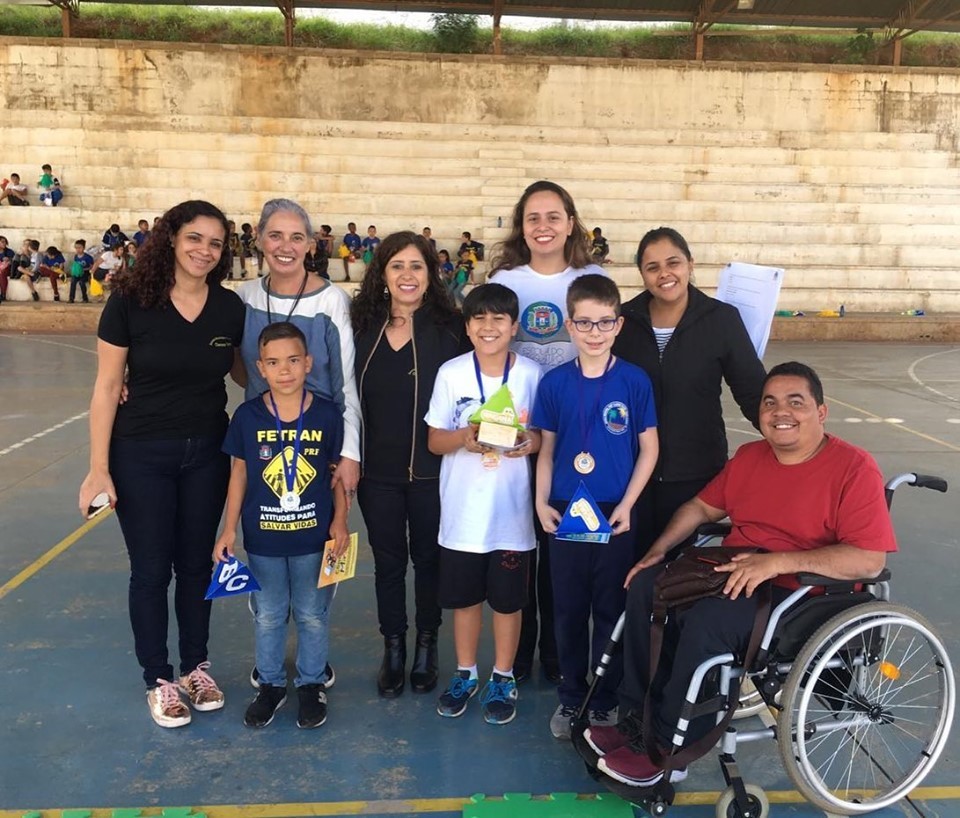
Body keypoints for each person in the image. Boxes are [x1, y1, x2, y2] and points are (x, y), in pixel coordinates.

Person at [585, 362, 898, 788]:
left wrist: (777, 562)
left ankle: (667, 749)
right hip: (736, 571)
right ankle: (635, 722)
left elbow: (868, 560)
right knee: (646, 586)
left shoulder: (853, 468)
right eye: (770, 402)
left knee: (707, 620)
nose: (780, 411)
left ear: (820, 412)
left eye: (795, 402)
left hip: (802, 594)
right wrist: (657, 552)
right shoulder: (751, 456)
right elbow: (700, 508)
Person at [78, 200, 245, 729]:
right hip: (141, 454)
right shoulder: (130, 301)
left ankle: (196, 667)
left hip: (207, 455)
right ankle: (159, 677)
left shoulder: (228, 307)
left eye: (215, 243)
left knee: (197, 567)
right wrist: (97, 468)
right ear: (171, 239)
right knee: (151, 571)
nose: (204, 250)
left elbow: (246, 375)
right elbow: (107, 387)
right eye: (195, 238)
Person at [490, 179, 605, 685]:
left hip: (575, 431)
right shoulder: (505, 279)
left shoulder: (592, 277)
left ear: (570, 223)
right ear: (522, 225)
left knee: (565, 542)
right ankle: (517, 652)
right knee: (518, 545)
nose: (543, 226)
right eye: (533, 218)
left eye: (553, 216)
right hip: (513, 430)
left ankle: (561, 654)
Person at [533, 275, 658, 739]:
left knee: (611, 608)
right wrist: (542, 502)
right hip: (566, 510)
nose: (594, 332)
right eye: (584, 322)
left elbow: (650, 449)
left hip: (613, 512)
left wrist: (628, 504)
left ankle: (603, 699)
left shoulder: (633, 380)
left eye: (604, 322)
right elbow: (546, 450)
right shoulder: (553, 383)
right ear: (569, 325)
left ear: (618, 324)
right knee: (567, 609)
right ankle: (571, 698)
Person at [214, 322, 348, 730]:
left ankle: (310, 684)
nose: (284, 370)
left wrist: (340, 521)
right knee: (269, 614)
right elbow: (238, 473)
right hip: (263, 539)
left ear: (308, 363)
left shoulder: (326, 414)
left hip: (313, 538)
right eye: (274, 362)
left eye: (293, 360)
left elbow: (336, 474)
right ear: (260, 368)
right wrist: (228, 529)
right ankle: (270, 684)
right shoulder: (247, 416)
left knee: (311, 614)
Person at [352, 231, 466, 698]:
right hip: (375, 473)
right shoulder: (361, 327)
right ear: (381, 274)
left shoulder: (451, 328)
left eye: (416, 266)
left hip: (431, 471)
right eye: (396, 266)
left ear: (431, 273)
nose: (407, 275)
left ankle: (426, 646)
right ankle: (393, 647)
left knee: (429, 561)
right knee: (388, 565)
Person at [426, 283, 542, 725]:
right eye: (479, 319)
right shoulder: (451, 374)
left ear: (514, 327)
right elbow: (435, 439)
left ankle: (503, 675)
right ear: (467, 326)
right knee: (465, 600)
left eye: (499, 319)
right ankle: (466, 673)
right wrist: (465, 440)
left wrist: (528, 442)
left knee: (508, 603)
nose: (488, 327)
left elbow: (545, 436)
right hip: (462, 516)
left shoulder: (532, 375)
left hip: (512, 517)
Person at [613, 227, 766, 560]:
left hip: (696, 477)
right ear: (642, 274)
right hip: (632, 474)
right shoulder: (623, 321)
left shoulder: (721, 319)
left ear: (690, 265)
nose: (665, 274)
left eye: (673, 263)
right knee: (632, 571)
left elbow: (752, 391)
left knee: (680, 576)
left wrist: (796, 446)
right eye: (652, 267)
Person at [237, 200, 360, 500]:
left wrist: (349, 452)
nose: (285, 246)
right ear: (260, 238)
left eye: (296, 238)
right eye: (275, 235)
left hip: (317, 442)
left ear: (309, 245)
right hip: (262, 440)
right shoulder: (244, 299)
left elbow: (345, 386)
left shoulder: (332, 302)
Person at [69, 239, 94, 304]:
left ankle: (85, 298)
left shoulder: (88, 257)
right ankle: (71, 298)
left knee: (81, 282)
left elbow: (92, 267)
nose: (78, 249)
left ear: (83, 248)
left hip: (85, 273)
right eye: (76, 248)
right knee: (73, 281)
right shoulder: (76, 256)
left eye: (79, 248)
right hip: (78, 273)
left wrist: (84, 269)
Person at [0, 236, 15, 303]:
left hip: (8, 269)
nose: (4, 243)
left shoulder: (10, 251)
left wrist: (9, 260)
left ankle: (3, 294)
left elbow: (14, 261)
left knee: (2, 273)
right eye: (2, 242)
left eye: (5, 242)